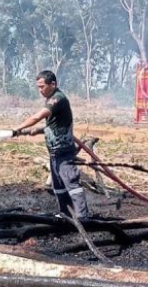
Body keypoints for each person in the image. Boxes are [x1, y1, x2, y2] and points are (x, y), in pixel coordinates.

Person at [12, 70, 90, 219]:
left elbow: (37, 116)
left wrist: (18, 128)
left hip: (64, 151)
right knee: (58, 186)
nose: (40, 90)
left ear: (52, 84)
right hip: (55, 152)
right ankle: (65, 214)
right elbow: (55, 125)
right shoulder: (51, 99)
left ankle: (83, 217)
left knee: (72, 185)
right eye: (38, 87)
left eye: (42, 86)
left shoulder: (57, 99)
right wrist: (39, 130)